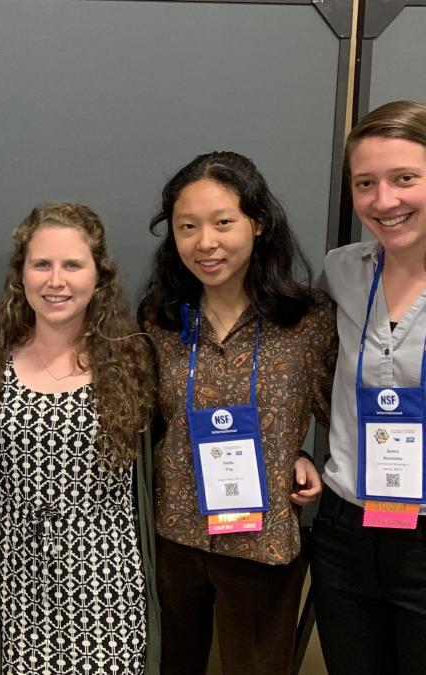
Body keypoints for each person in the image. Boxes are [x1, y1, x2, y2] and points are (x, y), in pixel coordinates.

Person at [137, 151, 335, 674]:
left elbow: (344, 417)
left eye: (223, 222)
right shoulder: (159, 320)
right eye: (187, 227)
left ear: (259, 223)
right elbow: (146, 423)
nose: (206, 242)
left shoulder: (309, 320)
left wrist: (303, 453)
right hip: (173, 536)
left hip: (262, 541)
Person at [0, 202, 159, 675]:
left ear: (99, 275)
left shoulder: (132, 360)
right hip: (17, 591)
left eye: (73, 265)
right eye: (42, 265)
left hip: (108, 592)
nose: (57, 281)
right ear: (21, 274)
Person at [314, 99, 426, 673]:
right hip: (345, 531)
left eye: (405, 178)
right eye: (366, 183)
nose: (384, 201)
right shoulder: (341, 270)